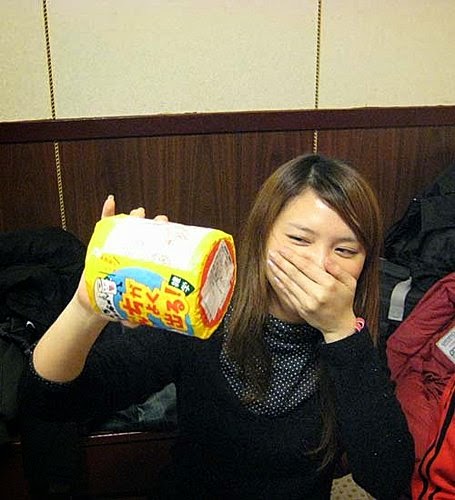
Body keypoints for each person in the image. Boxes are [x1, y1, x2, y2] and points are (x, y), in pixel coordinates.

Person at [20, 154, 415, 499]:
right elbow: (50, 400)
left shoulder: (354, 341)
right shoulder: (206, 311)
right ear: (262, 237)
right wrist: (88, 305)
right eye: (299, 239)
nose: (319, 264)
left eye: (344, 250)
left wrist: (341, 335)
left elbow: (388, 479)